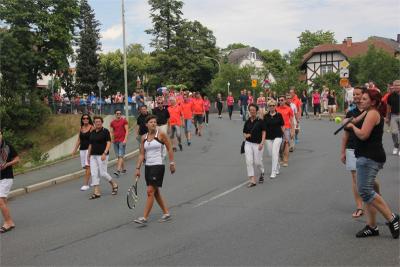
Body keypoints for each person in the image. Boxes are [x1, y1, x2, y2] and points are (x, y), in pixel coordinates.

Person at [345, 89, 399, 238]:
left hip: (370, 157)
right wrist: (349, 121)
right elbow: (354, 120)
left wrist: (352, 127)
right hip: (365, 156)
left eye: (364, 99)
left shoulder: (373, 113)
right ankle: (372, 226)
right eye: (360, 98)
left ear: (373, 102)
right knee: (368, 191)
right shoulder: (367, 112)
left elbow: (363, 134)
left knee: (365, 191)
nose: (361, 100)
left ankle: (392, 218)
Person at [134, 115, 175, 224]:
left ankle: (144, 217)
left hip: (158, 166)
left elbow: (169, 147)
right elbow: (142, 154)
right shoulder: (144, 137)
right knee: (155, 192)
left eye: (155, 122)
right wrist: (138, 168)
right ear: (146, 124)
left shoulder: (161, 134)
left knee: (150, 191)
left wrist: (171, 163)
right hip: (148, 166)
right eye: (151, 122)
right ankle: (166, 213)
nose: (153, 124)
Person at [341, 86, 365, 218]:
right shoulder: (350, 113)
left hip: (367, 149)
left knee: (369, 178)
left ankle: (374, 196)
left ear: (364, 95)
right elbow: (345, 134)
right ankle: (359, 206)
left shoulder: (370, 111)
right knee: (355, 178)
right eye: (354, 95)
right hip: (352, 148)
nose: (355, 96)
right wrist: (342, 151)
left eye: (358, 94)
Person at [87, 116, 118, 199]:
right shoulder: (92, 132)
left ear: (102, 122)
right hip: (93, 156)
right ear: (94, 123)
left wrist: (105, 153)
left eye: (99, 121)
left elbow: (108, 142)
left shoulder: (105, 131)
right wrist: (88, 155)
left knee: (102, 173)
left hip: (102, 155)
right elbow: (90, 144)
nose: (98, 123)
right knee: (93, 173)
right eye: (96, 122)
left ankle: (114, 184)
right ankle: (97, 192)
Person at [0, 130, 20, 233]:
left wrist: (7, 164)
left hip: (6, 177)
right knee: (3, 201)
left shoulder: (7, 146)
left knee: (0, 200)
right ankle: (7, 220)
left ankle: (9, 222)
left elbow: (17, 159)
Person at [243, 104, 266, 187]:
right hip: (248, 143)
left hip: (258, 144)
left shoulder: (260, 121)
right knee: (249, 161)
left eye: (253, 110)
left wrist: (262, 143)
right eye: (250, 110)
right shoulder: (247, 121)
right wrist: (246, 135)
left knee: (257, 162)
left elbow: (264, 132)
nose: (252, 111)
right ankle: (252, 180)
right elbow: (244, 132)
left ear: (256, 111)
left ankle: (262, 171)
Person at [72, 114, 94, 191]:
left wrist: (91, 150)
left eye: (87, 118)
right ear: (82, 120)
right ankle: (94, 177)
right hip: (82, 149)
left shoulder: (92, 128)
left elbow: (93, 139)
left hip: (89, 149)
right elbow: (79, 140)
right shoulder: (81, 128)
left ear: (89, 119)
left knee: (88, 166)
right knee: (85, 166)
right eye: (84, 118)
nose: (85, 119)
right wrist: (74, 150)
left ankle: (86, 184)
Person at [264, 99, 284, 178]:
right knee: (270, 154)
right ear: (268, 107)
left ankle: (273, 171)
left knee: (275, 152)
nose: (272, 107)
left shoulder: (279, 115)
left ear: (275, 106)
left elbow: (282, 125)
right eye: (270, 106)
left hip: (278, 136)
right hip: (268, 137)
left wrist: (284, 136)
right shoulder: (265, 116)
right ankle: (277, 164)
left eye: (273, 105)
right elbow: (263, 128)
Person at [276, 95, 294, 167]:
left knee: (286, 144)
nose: (280, 101)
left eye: (282, 100)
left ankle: (285, 160)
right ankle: (281, 156)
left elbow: (292, 121)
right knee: (280, 145)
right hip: (278, 129)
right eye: (279, 100)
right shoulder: (276, 109)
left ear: (285, 101)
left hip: (287, 128)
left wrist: (292, 130)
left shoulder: (289, 109)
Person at [110, 109, 129, 176]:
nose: (118, 115)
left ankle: (118, 170)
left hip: (122, 140)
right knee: (119, 156)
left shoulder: (124, 121)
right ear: (115, 114)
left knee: (120, 155)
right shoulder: (112, 122)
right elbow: (111, 132)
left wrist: (125, 139)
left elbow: (127, 131)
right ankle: (123, 169)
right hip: (115, 141)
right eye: (117, 113)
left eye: (120, 113)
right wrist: (111, 139)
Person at [386, 80, 400, 156]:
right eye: (395, 85)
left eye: (398, 85)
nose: (396, 87)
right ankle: (396, 145)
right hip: (394, 116)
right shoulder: (391, 95)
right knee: (394, 132)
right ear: (393, 86)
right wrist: (387, 117)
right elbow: (388, 107)